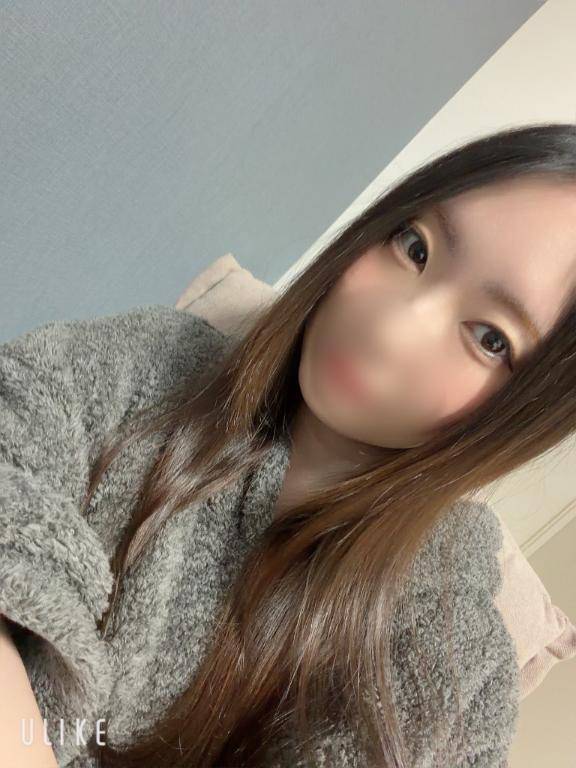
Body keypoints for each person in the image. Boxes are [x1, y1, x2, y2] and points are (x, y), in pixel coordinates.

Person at [1, 122, 576, 768]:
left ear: (522, 418)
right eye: (415, 246)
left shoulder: (450, 668)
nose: (389, 327)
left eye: (491, 339)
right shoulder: (149, 365)